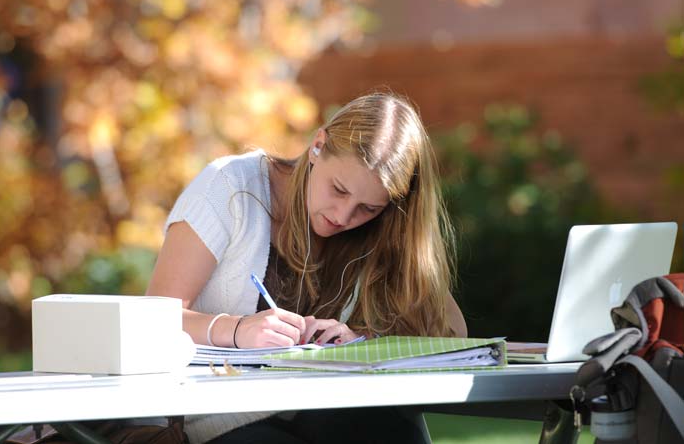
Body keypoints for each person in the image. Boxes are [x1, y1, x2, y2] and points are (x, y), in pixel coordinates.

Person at [147, 92, 467, 444]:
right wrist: (237, 330)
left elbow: (451, 331)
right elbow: (153, 319)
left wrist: (360, 342)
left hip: (327, 407)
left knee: (392, 434)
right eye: (339, 189)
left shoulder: (385, 228)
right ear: (318, 145)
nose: (343, 217)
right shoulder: (230, 186)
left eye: (368, 208)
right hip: (221, 413)